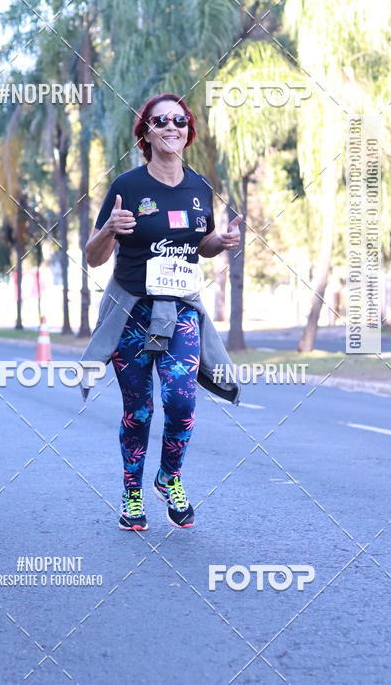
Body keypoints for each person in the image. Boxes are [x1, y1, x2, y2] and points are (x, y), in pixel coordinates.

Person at [84, 93, 243, 531]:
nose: (170, 127)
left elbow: (202, 244)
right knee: (138, 411)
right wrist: (110, 231)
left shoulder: (199, 187)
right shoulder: (127, 188)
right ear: (146, 134)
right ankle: (131, 495)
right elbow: (94, 257)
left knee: (182, 400)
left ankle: (168, 476)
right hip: (131, 310)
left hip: (181, 310)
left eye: (179, 120)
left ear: (188, 130)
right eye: (160, 121)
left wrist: (221, 243)